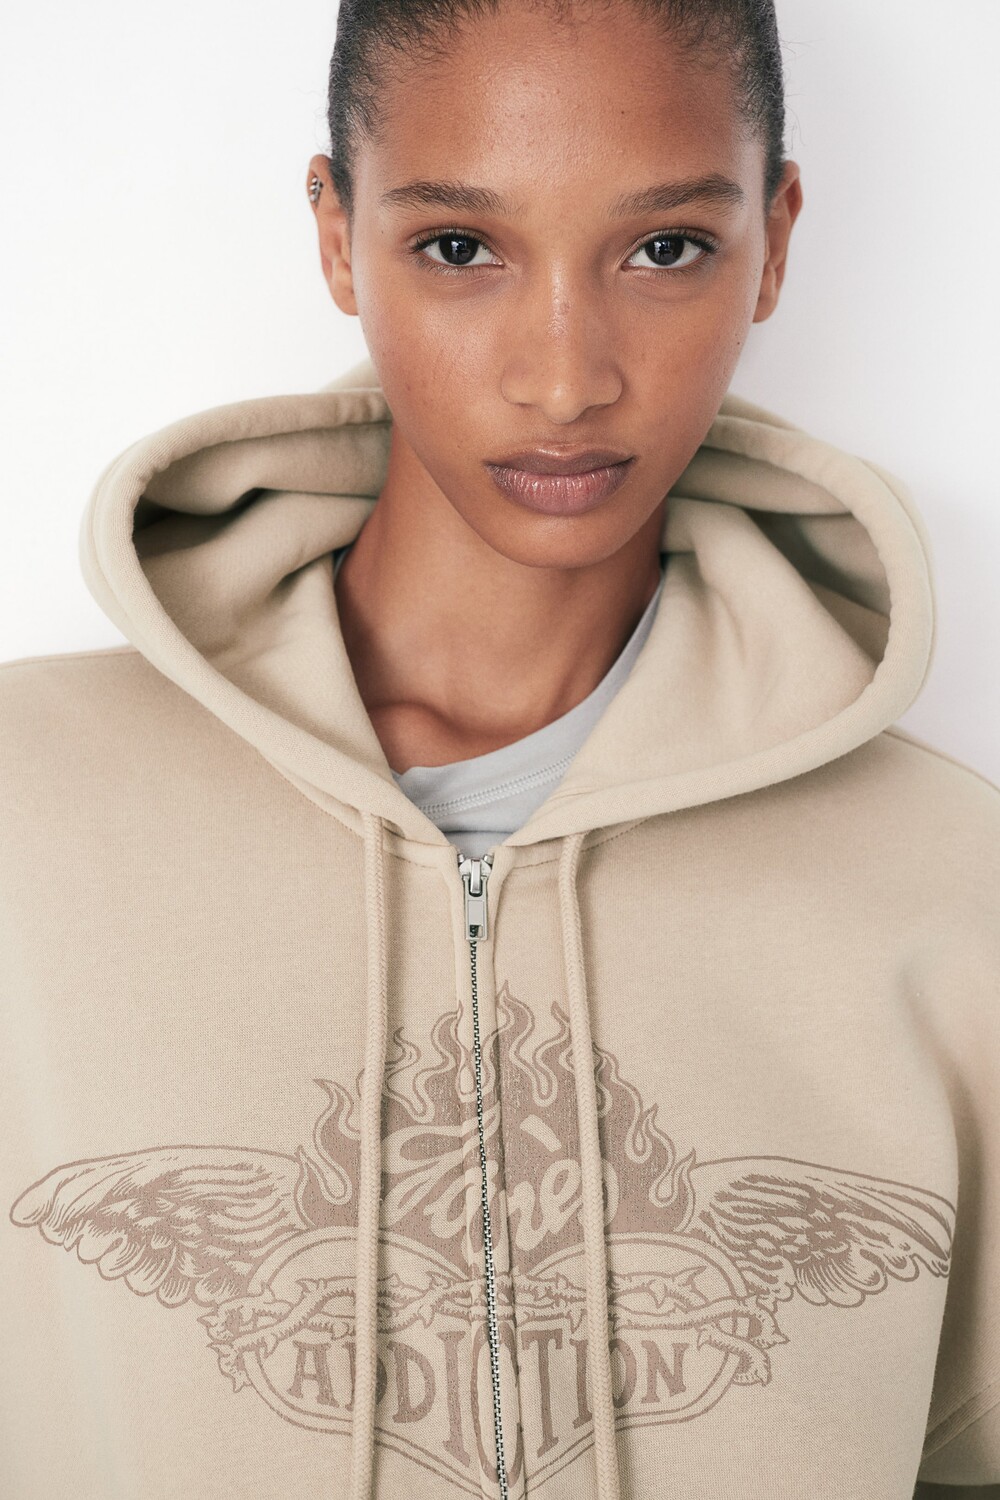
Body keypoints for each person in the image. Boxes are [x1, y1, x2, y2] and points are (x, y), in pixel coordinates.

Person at [1, 1, 997, 1497]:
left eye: (666, 248)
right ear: (337, 236)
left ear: (775, 239)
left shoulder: (955, 887)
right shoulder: (25, 810)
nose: (565, 376)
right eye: (461, 246)